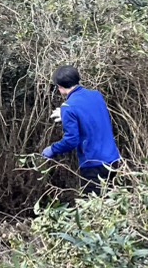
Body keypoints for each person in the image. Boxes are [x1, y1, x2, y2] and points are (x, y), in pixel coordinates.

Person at [40, 66, 121, 195]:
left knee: (93, 204)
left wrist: (53, 149)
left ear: (59, 87)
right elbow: (90, 115)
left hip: (93, 164)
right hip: (113, 159)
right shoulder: (96, 95)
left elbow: (71, 141)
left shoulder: (68, 107)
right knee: (113, 201)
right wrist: (65, 114)